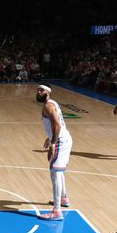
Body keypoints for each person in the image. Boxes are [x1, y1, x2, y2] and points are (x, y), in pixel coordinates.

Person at [37, 84, 72, 221]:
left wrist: (52, 143)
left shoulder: (48, 106)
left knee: (55, 173)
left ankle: (57, 211)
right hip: (63, 138)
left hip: (60, 142)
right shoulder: (51, 104)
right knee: (59, 171)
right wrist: (49, 136)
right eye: (38, 90)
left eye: (42, 90)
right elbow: (56, 125)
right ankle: (63, 199)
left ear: (48, 92)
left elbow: (57, 125)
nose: (39, 92)